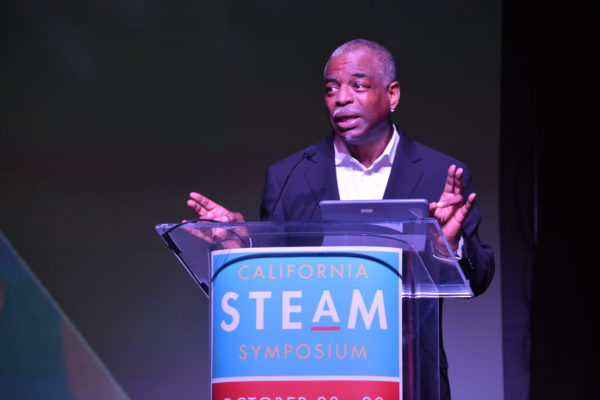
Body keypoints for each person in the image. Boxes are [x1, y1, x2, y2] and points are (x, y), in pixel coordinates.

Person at [187, 39, 494, 399]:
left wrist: (451, 244)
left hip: (410, 381)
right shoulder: (291, 176)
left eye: (358, 86)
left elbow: (479, 279)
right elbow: (276, 286)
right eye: (331, 89)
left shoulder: (439, 173)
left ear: (392, 95)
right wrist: (244, 248)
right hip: (316, 379)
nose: (341, 99)